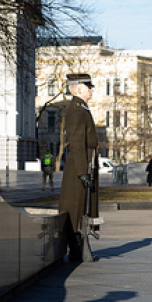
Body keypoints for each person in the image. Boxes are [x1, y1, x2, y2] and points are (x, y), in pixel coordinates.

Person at [58, 73, 99, 262]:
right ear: (79, 88)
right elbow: (76, 143)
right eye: (89, 87)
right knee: (75, 208)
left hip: (85, 163)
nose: (92, 90)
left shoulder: (81, 108)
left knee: (81, 207)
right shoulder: (76, 110)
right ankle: (74, 248)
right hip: (79, 167)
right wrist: (82, 172)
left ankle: (78, 247)